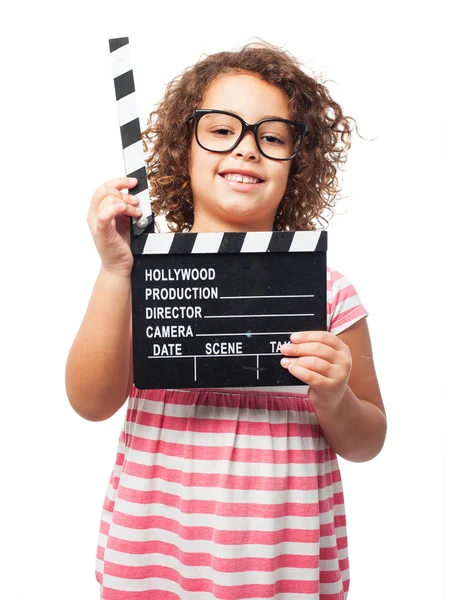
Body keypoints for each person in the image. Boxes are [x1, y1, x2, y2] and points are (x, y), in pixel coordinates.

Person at [65, 40, 386, 600]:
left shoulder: (329, 292)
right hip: (157, 551)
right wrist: (118, 273)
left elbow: (368, 442)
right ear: (180, 150)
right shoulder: (142, 276)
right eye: (220, 129)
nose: (246, 149)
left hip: (282, 561)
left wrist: (335, 397)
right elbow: (90, 402)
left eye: (272, 136)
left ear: (297, 163)